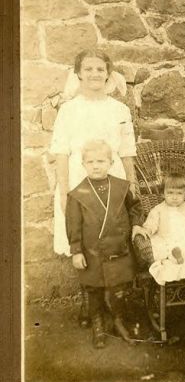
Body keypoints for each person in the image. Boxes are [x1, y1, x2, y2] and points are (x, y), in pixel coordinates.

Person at [49, 48, 137, 326]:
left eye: (100, 69)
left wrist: (131, 184)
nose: (94, 74)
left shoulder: (119, 110)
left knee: (110, 237)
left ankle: (112, 301)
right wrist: (64, 191)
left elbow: (127, 151)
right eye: (88, 69)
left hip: (113, 179)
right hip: (78, 178)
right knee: (83, 239)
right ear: (78, 74)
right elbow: (61, 152)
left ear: (108, 74)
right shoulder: (69, 109)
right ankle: (89, 301)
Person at [65, 140, 147, 348]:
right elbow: (73, 226)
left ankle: (118, 320)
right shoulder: (77, 194)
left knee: (119, 288)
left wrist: (137, 225)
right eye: (90, 161)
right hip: (92, 253)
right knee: (94, 291)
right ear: (83, 164)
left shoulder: (121, 186)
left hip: (118, 250)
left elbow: (135, 208)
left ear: (110, 163)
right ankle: (98, 324)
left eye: (101, 161)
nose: (96, 165)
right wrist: (76, 251)